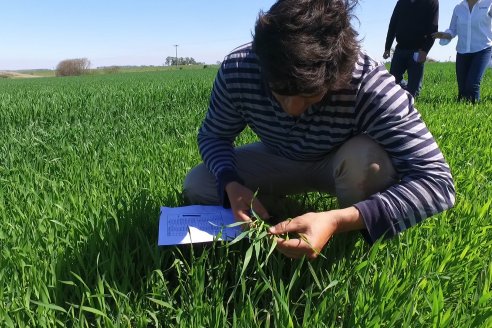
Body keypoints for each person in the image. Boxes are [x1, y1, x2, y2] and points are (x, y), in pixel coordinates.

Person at [183, 0, 455, 259]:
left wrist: (337, 221)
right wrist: (230, 182)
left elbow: (438, 183)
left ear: (339, 72)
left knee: (369, 165)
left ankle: (351, 223)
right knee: (200, 184)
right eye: (280, 91)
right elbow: (214, 135)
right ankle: (271, 210)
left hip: (343, 162)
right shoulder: (239, 69)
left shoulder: (369, 84)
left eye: (310, 95)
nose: (292, 108)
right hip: (278, 157)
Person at [432, 0, 492, 103]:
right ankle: (461, 111)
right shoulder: (458, 8)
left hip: (483, 49)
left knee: (472, 84)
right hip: (462, 51)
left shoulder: (489, 4)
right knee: (463, 89)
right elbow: (453, 29)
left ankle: (474, 112)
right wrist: (445, 35)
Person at [383, 0, 439, 97]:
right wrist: (387, 47)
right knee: (392, 85)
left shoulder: (431, 2)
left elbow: (433, 29)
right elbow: (393, 24)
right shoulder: (401, 2)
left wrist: (425, 50)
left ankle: (409, 99)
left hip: (418, 51)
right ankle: (405, 92)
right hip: (400, 49)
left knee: (414, 92)